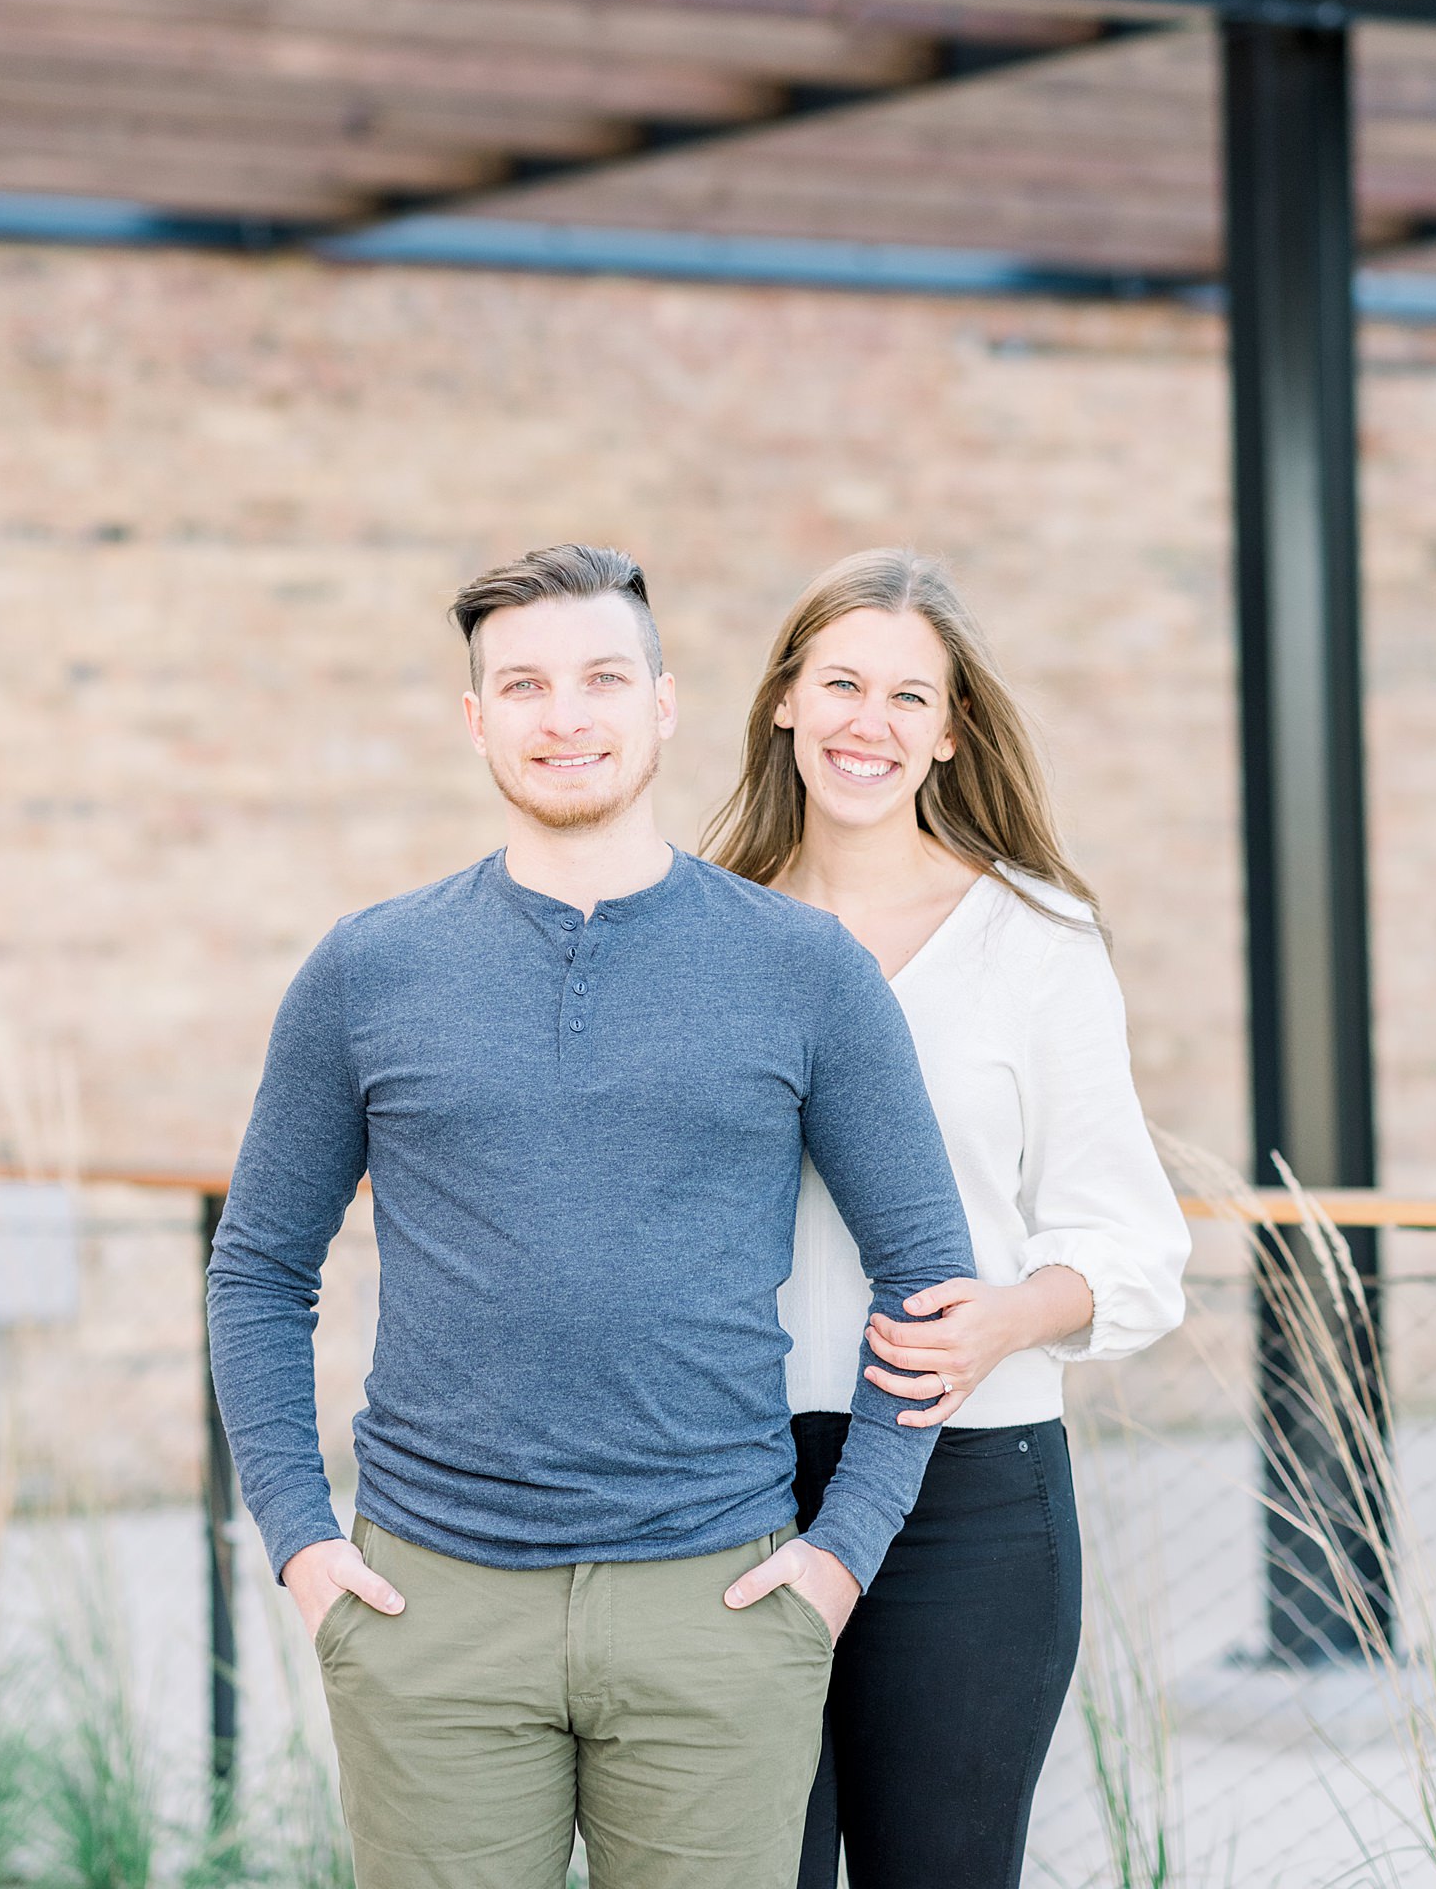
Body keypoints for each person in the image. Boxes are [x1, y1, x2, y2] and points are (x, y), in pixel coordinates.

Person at [206, 542, 975, 1889]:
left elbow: (926, 1277)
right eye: (525, 686)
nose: (565, 717)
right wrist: (300, 1543)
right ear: (476, 720)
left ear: (663, 705)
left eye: (601, 679)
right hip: (426, 1603)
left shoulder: (803, 971)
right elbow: (260, 1269)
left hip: (717, 1604)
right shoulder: (366, 970)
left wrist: (839, 1558)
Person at [705, 548, 1191, 1889]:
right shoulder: (696, 931)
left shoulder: (1033, 937)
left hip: (969, 1493)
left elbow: (1132, 1247)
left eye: (907, 698)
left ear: (948, 731)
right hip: (721, 1490)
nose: (870, 722)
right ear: (784, 704)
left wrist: (1009, 1318)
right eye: (841, 684)